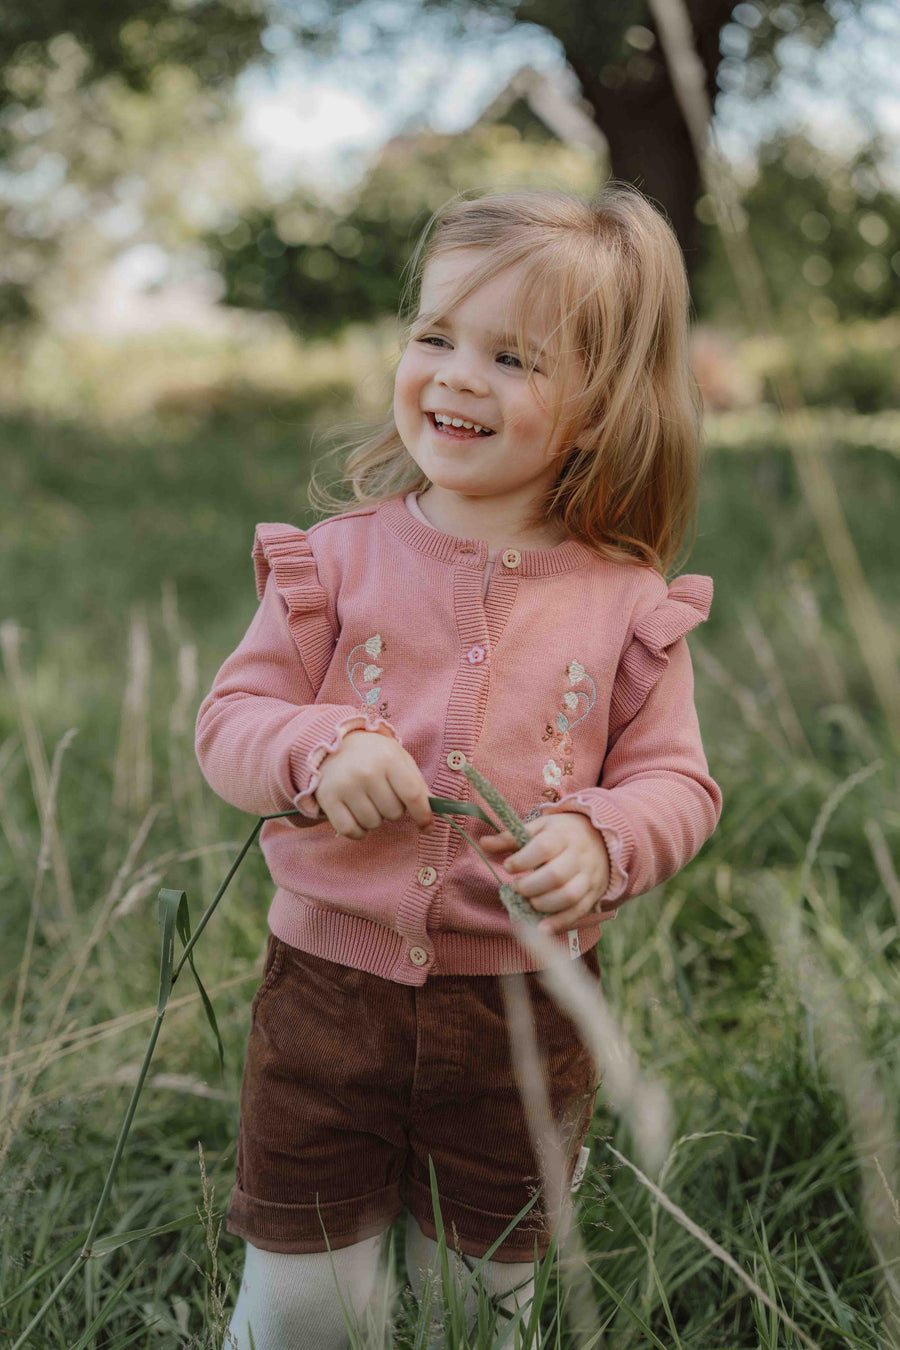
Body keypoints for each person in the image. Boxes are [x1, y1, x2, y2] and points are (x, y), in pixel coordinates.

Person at [195, 183, 724, 1349]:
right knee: (305, 1307)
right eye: (435, 335)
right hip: (329, 1002)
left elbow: (678, 783)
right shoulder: (333, 566)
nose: (457, 375)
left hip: (525, 1014)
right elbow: (232, 721)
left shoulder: (627, 605)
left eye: (514, 357)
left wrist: (602, 836)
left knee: (477, 1309)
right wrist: (315, 745)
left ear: (599, 407)